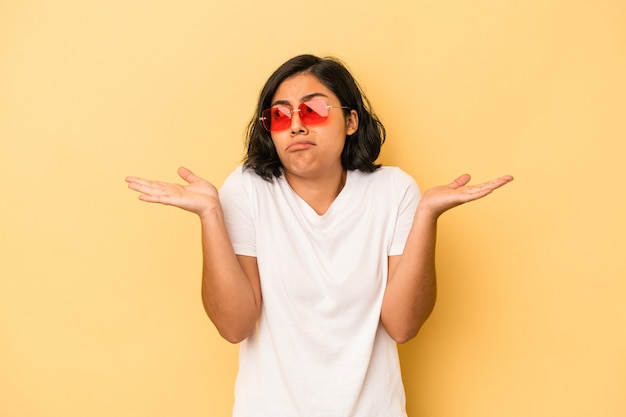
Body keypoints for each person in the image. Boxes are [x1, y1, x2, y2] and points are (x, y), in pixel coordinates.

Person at [125, 54, 513, 417]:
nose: (296, 124)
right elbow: (234, 326)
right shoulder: (246, 190)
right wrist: (210, 215)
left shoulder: (394, 191)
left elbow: (402, 325)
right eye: (279, 116)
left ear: (351, 121)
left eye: (313, 109)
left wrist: (428, 215)